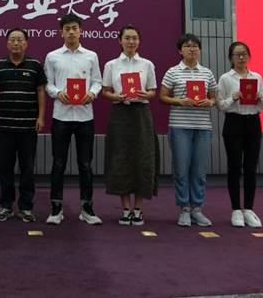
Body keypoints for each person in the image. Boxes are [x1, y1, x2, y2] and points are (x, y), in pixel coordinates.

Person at [44, 13, 103, 225]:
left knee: (85, 164)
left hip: (85, 117)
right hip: (61, 116)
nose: (71, 32)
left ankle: (87, 208)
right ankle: (56, 208)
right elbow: (48, 84)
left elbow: (97, 81)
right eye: (67, 28)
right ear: (61, 32)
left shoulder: (91, 56)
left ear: (81, 31)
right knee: (58, 163)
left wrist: (92, 93)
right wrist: (57, 93)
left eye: (74, 28)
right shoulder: (52, 56)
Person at [101, 24, 159, 226]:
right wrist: (116, 96)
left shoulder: (147, 64)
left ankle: (138, 209)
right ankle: (126, 209)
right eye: (127, 38)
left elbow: (153, 91)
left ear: (139, 41)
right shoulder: (111, 65)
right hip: (120, 114)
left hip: (141, 114)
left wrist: (146, 94)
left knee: (143, 159)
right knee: (121, 158)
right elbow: (105, 91)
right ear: (120, 40)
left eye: (134, 38)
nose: (131, 41)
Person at [159, 33, 217, 227]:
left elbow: (214, 98)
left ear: (199, 50)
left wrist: (210, 102)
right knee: (182, 169)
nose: (192, 49)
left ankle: (197, 209)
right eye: (187, 46)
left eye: (195, 46)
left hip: (203, 127)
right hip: (180, 126)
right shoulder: (172, 72)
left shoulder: (207, 73)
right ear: (180, 50)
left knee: (199, 170)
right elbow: (162, 97)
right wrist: (180, 101)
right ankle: (184, 208)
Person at [0, 28, 46, 223]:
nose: (16, 43)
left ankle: (26, 207)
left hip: (28, 126)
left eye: (20, 40)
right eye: (12, 40)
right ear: (7, 43)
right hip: (4, 126)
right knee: (5, 168)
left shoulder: (35, 65)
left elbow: (41, 91)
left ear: (26, 43)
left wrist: (40, 117)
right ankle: (6, 206)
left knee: (27, 168)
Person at [216, 41, 263, 228]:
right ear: (230, 58)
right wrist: (233, 97)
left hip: (253, 123)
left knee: (251, 167)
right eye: (237, 54)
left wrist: (259, 97)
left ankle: (248, 209)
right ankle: (236, 210)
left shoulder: (257, 77)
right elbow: (220, 105)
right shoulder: (225, 78)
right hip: (233, 123)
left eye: (244, 54)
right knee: (234, 167)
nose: (241, 57)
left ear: (249, 56)